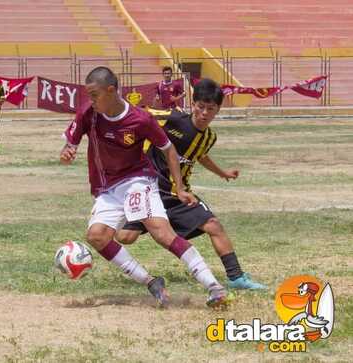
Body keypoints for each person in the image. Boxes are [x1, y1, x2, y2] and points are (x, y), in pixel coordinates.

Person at [60, 67, 229, 308]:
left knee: (161, 232)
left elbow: (169, 150)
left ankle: (214, 287)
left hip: (137, 180)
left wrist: (179, 189)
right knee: (97, 236)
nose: (91, 100)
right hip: (107, 187)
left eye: (95, 94)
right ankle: (151, 282)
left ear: (111, 91)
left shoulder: (140, 119)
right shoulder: (89, 112)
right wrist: (67, 152)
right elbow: (70, 144)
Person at [116, 79, 266, 290]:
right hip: (150, 190)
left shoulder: (209, 137)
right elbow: (143, 113)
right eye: (200, 107)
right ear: (193, 104)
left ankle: (236, 277)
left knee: (213, 225)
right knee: (124, 237)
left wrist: (223, 173)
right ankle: (151, 225)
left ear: (217, 110)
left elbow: (201, 156)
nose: (204, 113)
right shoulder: (173, 119)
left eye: (210, 109)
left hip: (178, 195)